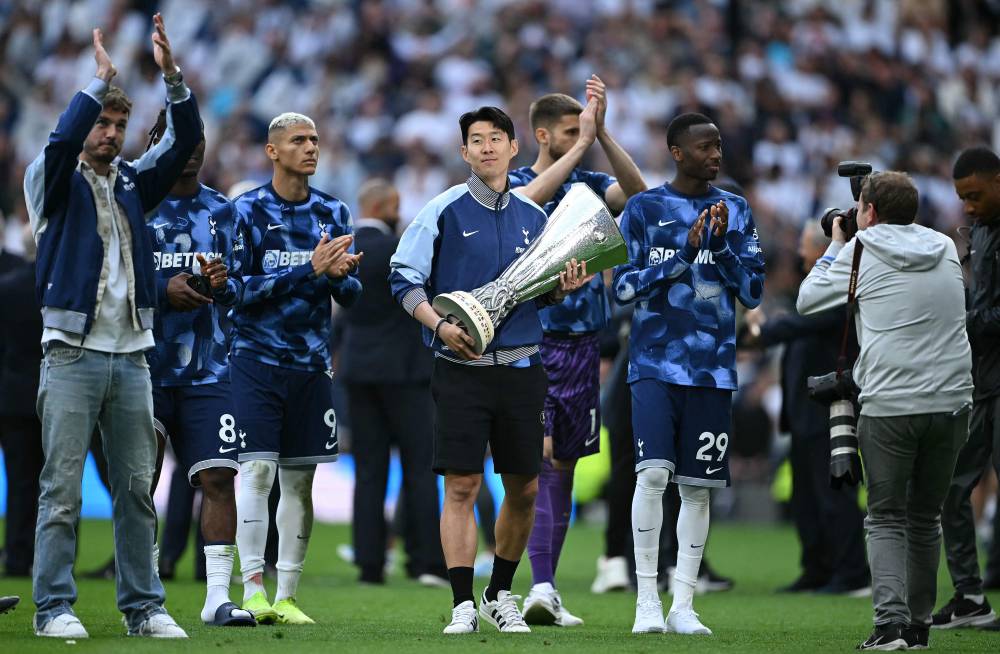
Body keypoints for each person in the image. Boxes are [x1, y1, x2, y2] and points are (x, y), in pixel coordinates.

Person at [23, 16, 200, 639]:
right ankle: (52, 609)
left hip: (131, 356)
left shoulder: (130, 183)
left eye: (120, 126)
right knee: (62, 490)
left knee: (134, 490)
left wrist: (173, 79)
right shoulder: (51, 181)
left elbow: (183, 145)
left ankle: (144, 607)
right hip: (70, 353)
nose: (112, 133)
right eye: (104, 123)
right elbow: (59, 139)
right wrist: (97, 85)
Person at [389, 106, 591, 635]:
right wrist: (437, 325)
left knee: (524, 487)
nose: (486, 148)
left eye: (495, 139)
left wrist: (562, 287)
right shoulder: (443, 210)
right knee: (462, 484)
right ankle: (461, 603)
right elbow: (402, 279)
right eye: (475, 140)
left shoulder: (534, 217)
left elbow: (538, 295)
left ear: (513, 148)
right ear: (463, 152)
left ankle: (499, 593)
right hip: (459, 366)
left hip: (523, 368)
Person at [798, 171, 973, 650]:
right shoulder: (944, 248)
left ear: (867, 213)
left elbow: (807, 300)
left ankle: (890, 626)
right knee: (925, 516)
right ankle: (919, 626)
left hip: (892, 403)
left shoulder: (860, 250)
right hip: (954, 400)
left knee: (886, 516)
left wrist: (836, 244)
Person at [612, 112, 765, 635]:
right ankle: (646, 602)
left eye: (719, 145)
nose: (716, 154)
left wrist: (719, 249)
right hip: (653, 363)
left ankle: (683, 605)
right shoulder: (643, 209)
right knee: (653, 475)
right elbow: (623, 289)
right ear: (677, 152)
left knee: (697, 488)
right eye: (705, 147)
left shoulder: (737, 210)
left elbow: (752, 293)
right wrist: (682, 257)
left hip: (712, 370)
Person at [508, 75, 647, 627]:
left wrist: (604, 137)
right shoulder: (515, 183)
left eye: (582, 128)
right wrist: (584, 147)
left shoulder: (591, 182)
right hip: (530, 342)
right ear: (544, 135)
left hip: (584, 345)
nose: (581, 136)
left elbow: (638, 194)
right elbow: (529, 200)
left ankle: (546, 587)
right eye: (572, 130)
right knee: (536, 461)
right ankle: (526, 581)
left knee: (562, 462)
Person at [230, 111, 362, 625]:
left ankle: (286, 596)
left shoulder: (334, 212)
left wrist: (340, 276)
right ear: (272, 151)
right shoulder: (246, 212)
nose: (310, 148)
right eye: (298, 140)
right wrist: (310, 269)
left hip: (311, 365)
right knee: (258, 473)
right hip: (255, 361)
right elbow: (235, 293)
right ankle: (253, 589)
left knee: (299, 483)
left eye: (314, 139)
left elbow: (351, 296)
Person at [144, 113, 255, 627]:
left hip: (209, 370)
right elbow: (108, 276)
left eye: (196, 139)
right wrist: (162, 290)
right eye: (176, 139)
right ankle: (143, 595)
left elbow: (242, 290)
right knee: (138, 481)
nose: (189, 149)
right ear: (154, 144)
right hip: (141, 365)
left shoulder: (224, 212)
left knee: (218, 478)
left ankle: (216, 599)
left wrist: (221, 282)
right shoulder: (133, 203)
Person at [740, 221, 869, 595]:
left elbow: (795, 326)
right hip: (802, 410)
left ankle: (852, 572)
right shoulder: (815, 292)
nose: (799, 253)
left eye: (805, 246)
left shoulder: (841, 293)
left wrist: (758, 333)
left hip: (829, 409)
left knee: (834, 494)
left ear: (824, 250)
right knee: (806, 499)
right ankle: (817, 568)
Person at [338, 178, 446, 586]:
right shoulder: (401, 250)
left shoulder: (343, 252)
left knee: (369, 471)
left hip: (359, 371)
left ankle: (370, 563)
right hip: (406, 374)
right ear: (388, 205)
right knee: (419, 468)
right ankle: (425, 561)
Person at [933, 146, 1000, 629]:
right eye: (962, 198)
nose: (969, 206)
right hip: (981, 381)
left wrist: (961, 321)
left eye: (975, 195)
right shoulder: (978, 230)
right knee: (952, 488)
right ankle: (970, 596)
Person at [0, 225, 44, 579]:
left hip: (14, 397)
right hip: (57, 395)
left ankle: (16, 557)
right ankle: (54, 558)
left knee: (19, 482)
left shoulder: (8, 288)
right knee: (59, 483)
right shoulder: (63, 289)